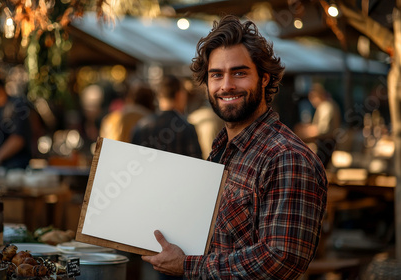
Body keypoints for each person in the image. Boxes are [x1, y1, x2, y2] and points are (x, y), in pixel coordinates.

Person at [142, 15, 328, 279]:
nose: (226, 85)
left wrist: (188, 266)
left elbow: (279, 260)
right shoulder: (223, 149)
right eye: (216, 75)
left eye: (239, 73)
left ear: (264, 78)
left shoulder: (287, 157)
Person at [131, 75, 202, 159]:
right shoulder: (186, 127)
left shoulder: (141, 125)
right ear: (179, 95)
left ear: (159, 96)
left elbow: (133, 158)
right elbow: (196, 163)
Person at [295, 83, 341, 168]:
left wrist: (305, 133)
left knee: (320, 169)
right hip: (325, 143)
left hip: (326, 143)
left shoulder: (326, 106)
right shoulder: (326, 105)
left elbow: (322, 129)